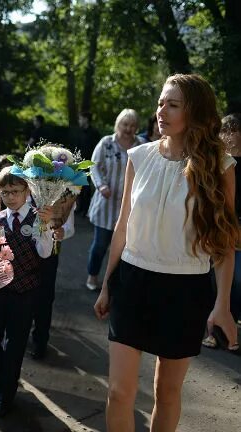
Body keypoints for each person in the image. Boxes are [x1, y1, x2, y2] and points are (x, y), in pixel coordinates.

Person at [93, 74, 239, 431]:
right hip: (132, 280)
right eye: (161, 102)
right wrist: (107, 283)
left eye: (173, 104)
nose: (162, 111)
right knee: (118, 392)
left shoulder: (220, 166)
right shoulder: (138, 156)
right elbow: (122, 227)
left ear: (196, 111)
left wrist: (222, 305)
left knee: (167, 392)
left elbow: (222, 244)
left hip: (186, 290)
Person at [0, 166, 53, 417]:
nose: (10, 197)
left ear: (27, 191)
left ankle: (6, 394)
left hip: (25, 293)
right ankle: (1, 371)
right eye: (5, 191)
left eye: (16, 191)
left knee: (16, 344)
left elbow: (44, 252)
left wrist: (44, 226)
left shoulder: (38, 217)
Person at [85, 109, 141, 291]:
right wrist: (101, 185)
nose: (128, 128)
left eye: (132, 125)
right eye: (125, 124)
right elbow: (94, 167)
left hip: (130, 208)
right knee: (100, 245)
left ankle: (113, 284)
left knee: (124, 249)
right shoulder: (106, 143)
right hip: (105, 205)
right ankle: (92, 275)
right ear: (118, 124)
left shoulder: (141, 145)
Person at [203, 112, 241, 350]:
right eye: (223, 131)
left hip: (238, 231)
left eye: (231, 131)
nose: (226, 136)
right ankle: (213, 332)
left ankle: (228, 330)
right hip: (217, 227)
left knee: (235, 282)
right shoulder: (217, 163)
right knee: (213, 281)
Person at [30, 194, 76, 360]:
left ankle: (40, 341)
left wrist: (63, 232)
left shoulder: (64, 194)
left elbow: (69, 225)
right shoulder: (26, 189)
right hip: (24, 250)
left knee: (45, 297)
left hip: (49, 254)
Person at [74, 112, 101, 216]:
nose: (80, 121)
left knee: (87, 187)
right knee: (79, 185)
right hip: (80, 163)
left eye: (81, 118)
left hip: (90, 163)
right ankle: (80, 207)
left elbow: (96, 149)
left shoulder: (94, 133)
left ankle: (86, 209)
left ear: (86, 119)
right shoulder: (79, 132)